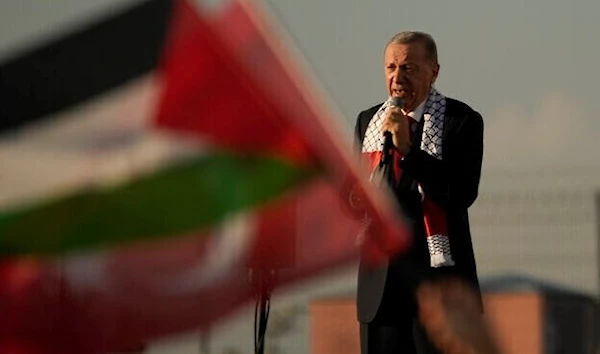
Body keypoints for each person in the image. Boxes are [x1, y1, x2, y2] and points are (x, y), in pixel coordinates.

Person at [353, 31, 484, 354]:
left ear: (434, 71)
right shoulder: (368, 122)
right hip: (380, 291)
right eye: (391, 68)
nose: (398, 77)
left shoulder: (461, 122)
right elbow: (355, 200)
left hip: (440, 292)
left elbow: (460, 193)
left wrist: (409, 151)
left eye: (409, 68)